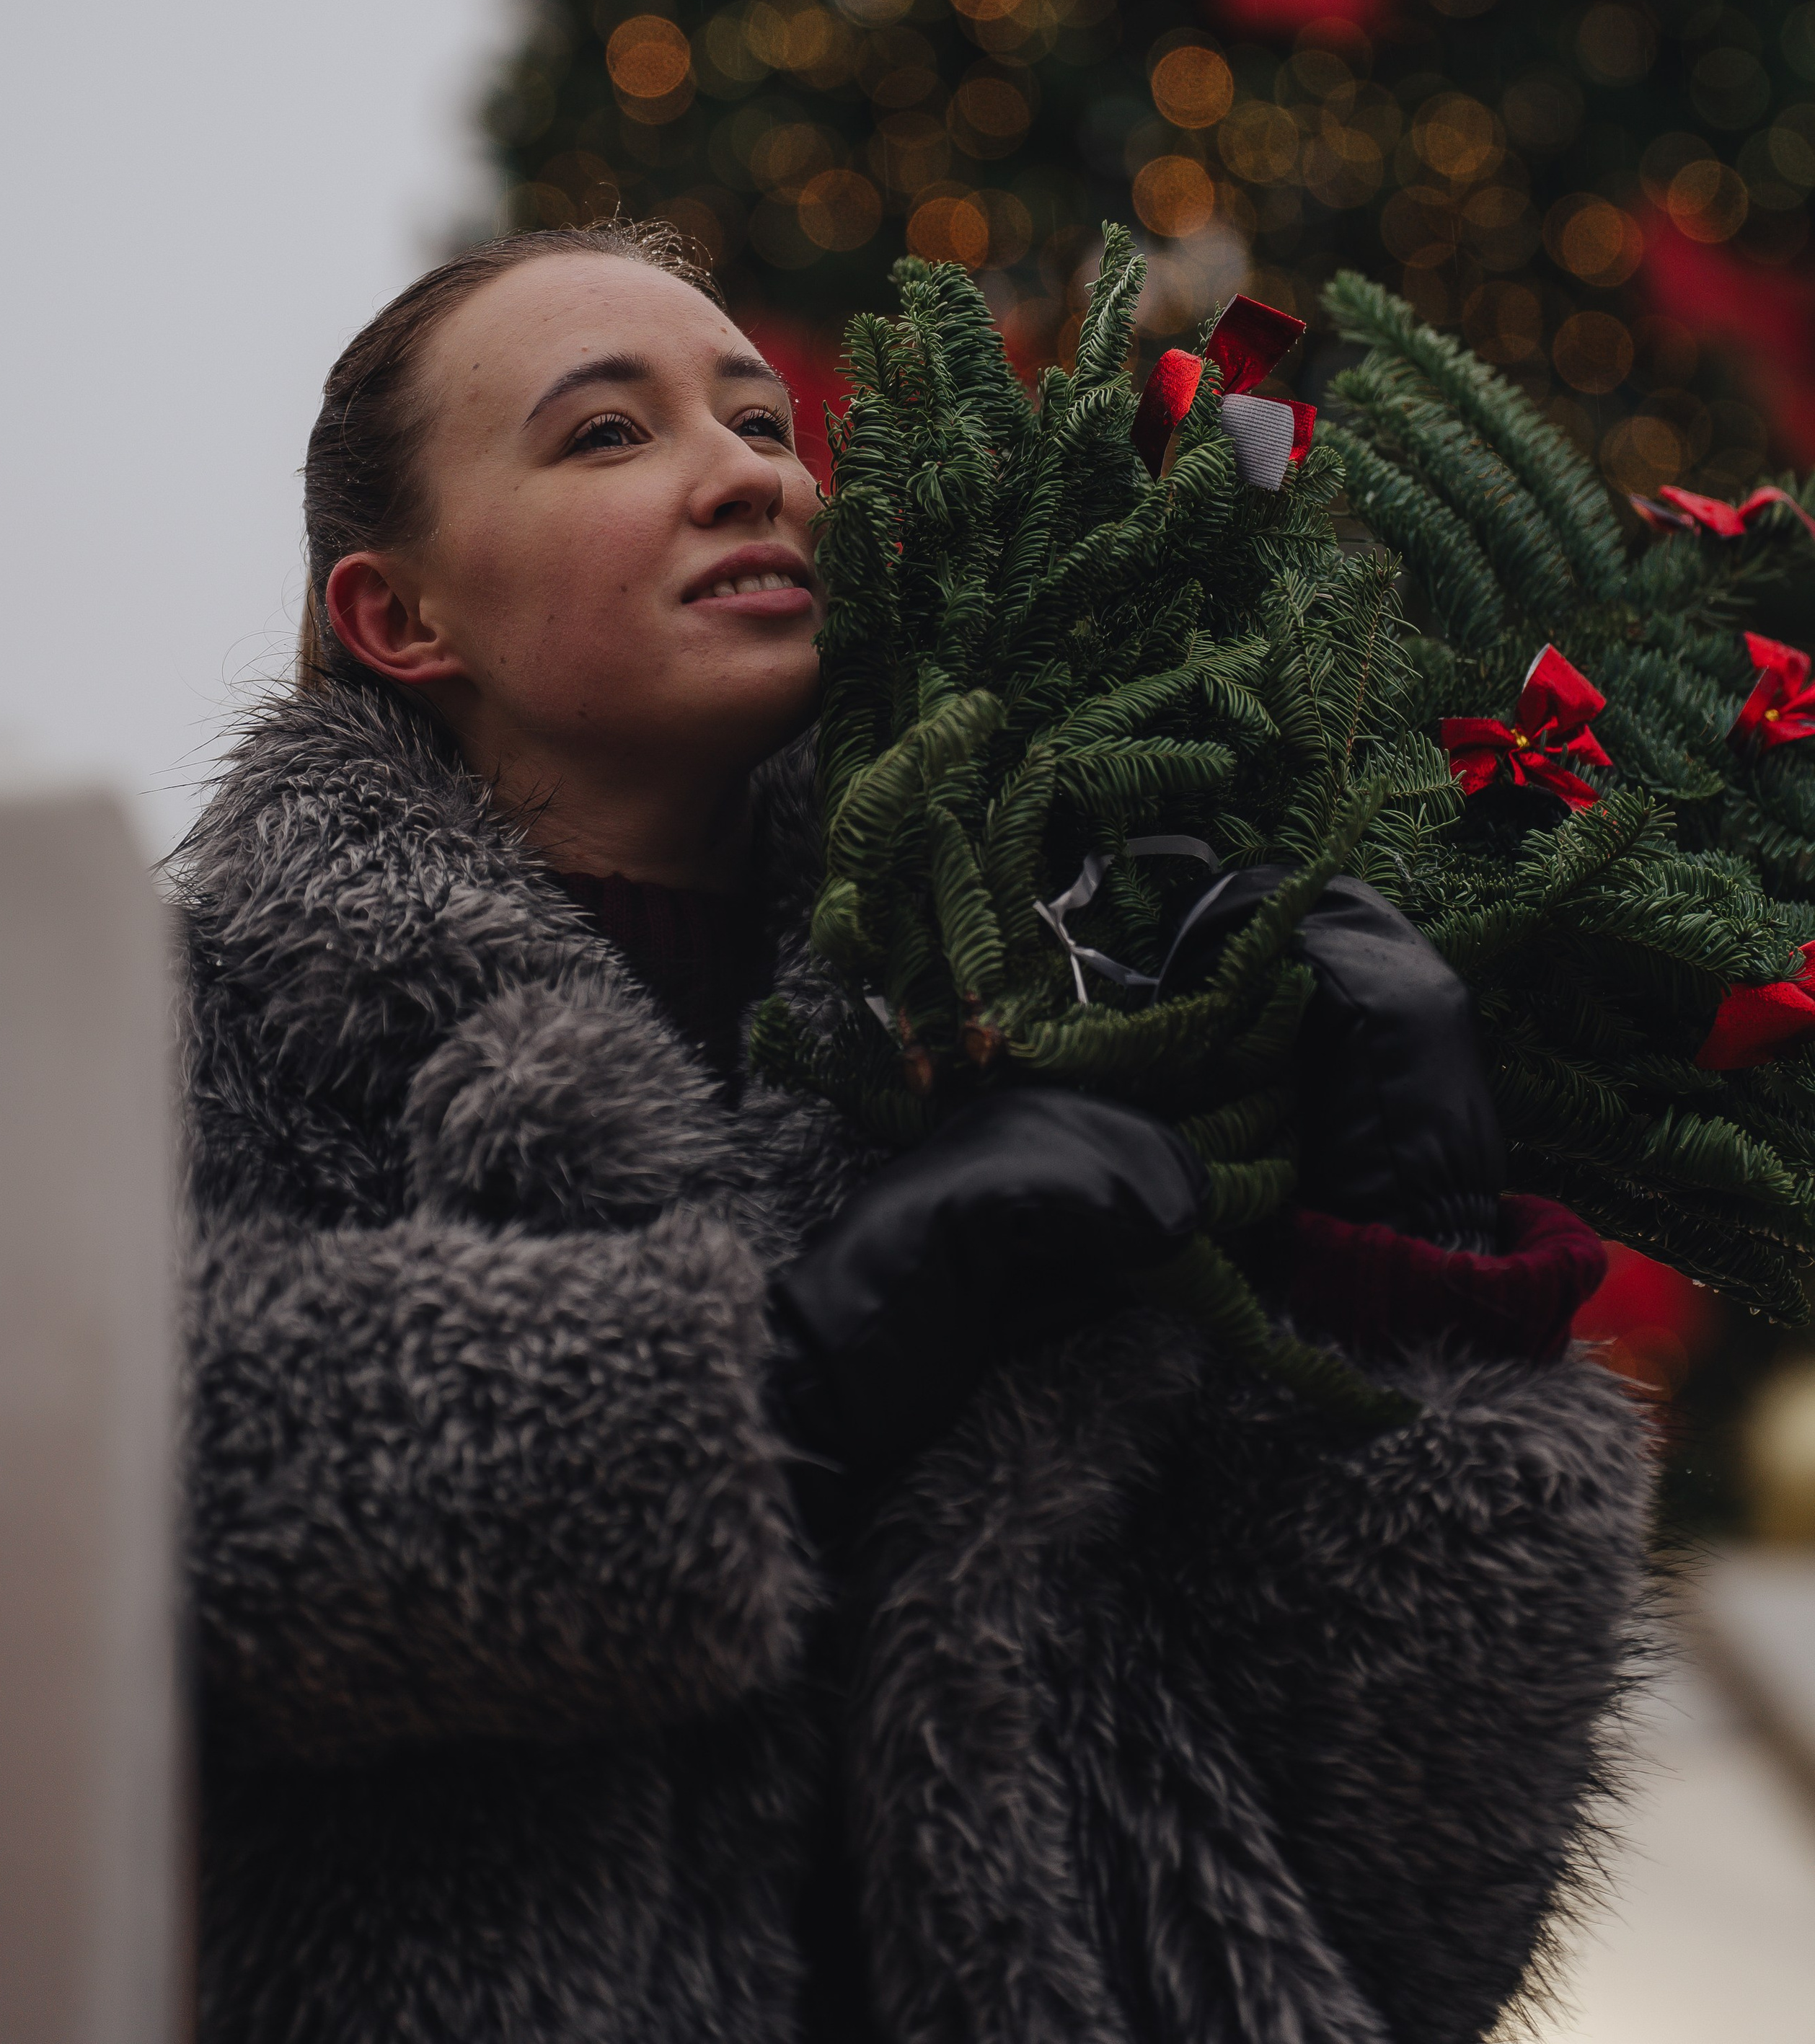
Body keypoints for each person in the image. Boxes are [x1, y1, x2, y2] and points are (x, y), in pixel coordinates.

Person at [180, 221, 1646, 2044]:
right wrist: (786, 1375)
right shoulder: (195, 1021)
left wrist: (1416, 1298)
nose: (750, 475)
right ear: (399, 617)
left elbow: (1396, 1902)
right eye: (608, 436)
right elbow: (118, 1520)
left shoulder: (1053, 1016)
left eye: (760, 424)